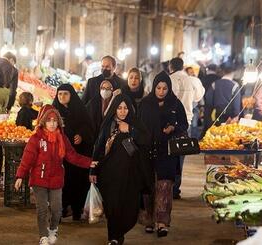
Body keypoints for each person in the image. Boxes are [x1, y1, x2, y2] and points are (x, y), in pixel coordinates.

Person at [14, 105, 92, 245]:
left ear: (59, 122)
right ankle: (43, 235)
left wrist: (89, 163)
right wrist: (20, 175)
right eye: (49, 120)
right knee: (42, 209)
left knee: (57, 210)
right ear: (43, 121)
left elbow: (72, 156)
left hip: (56, 179)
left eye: (55, 120)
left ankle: (53, 229)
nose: (52, 123)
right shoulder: (36, 138)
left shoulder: (62, 138)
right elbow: (27, 159)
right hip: (39, 179)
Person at [89, 94, 152, 245]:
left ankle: (119, 233)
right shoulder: (108, 125)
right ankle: (114, 237)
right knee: (112, 206)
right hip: (109, 175)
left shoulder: (135, 124)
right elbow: (98, 148)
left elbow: (147, 140)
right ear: (114, 109)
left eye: (125, 108)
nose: (123, 111)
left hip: (130, 175)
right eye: (119, 108)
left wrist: (130, 129)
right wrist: (93, 170)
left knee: (128, 206)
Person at [138, 71, 188, 238]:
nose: (161, 91)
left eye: (164, 88)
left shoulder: (175, 103)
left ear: (169, 88)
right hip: (147, 151)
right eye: (158, 88)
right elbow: (138, 125)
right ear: (154, 87)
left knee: (165, 186)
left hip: (167, 152)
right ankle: (149, 221)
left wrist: (173, 128)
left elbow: (184, 124)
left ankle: (162, 222)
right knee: (148, 186)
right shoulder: (145, 103)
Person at [52, 84, 94, 221]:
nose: (62, 97)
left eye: (65, 94)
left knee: (77, 182)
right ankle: (61, 209)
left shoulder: (80, 110)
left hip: (77, 154)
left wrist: (81, 135)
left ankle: (77, 209)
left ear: (71, 95)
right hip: (59, 156)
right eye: (59, 94)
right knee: (60, 183)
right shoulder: (53, 112)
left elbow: (88, 126)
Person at [169, 58, 204, 199]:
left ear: (171, 66)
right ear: (182, 66)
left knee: (168, 155)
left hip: (169, 123)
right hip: (186, 122)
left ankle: (167, 187)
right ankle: (176, 189)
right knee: (180, 156)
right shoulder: (191, 80)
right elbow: (198, 96)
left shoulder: (168, 79)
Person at [203, 63, 241, 136]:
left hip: (216, 115)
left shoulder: (214, 84)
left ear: (222, 72)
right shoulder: (235, 85)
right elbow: (236, 104)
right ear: (233, 73)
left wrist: (208, 119)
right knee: (227, 138)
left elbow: (208, 102)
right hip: (229, 118)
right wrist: (235, 116)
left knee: (216, 136)